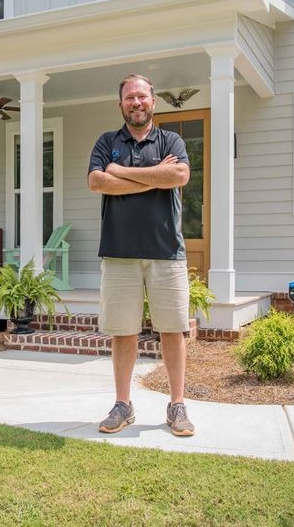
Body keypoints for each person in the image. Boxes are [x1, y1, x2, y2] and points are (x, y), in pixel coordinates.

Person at [88, 74, 195, 437]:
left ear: (153, 102)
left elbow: (179, 175)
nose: (136, 102)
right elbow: (97, 182)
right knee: (123, 332)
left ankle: (177, 404)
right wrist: (155, 176)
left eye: (142, 96)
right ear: (121, 105)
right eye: (129, 97)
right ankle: (123, 404)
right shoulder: (107, 141)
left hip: (167, 253)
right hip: (118, 254)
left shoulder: (172, 140)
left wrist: (123, 173)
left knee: (173, 330)